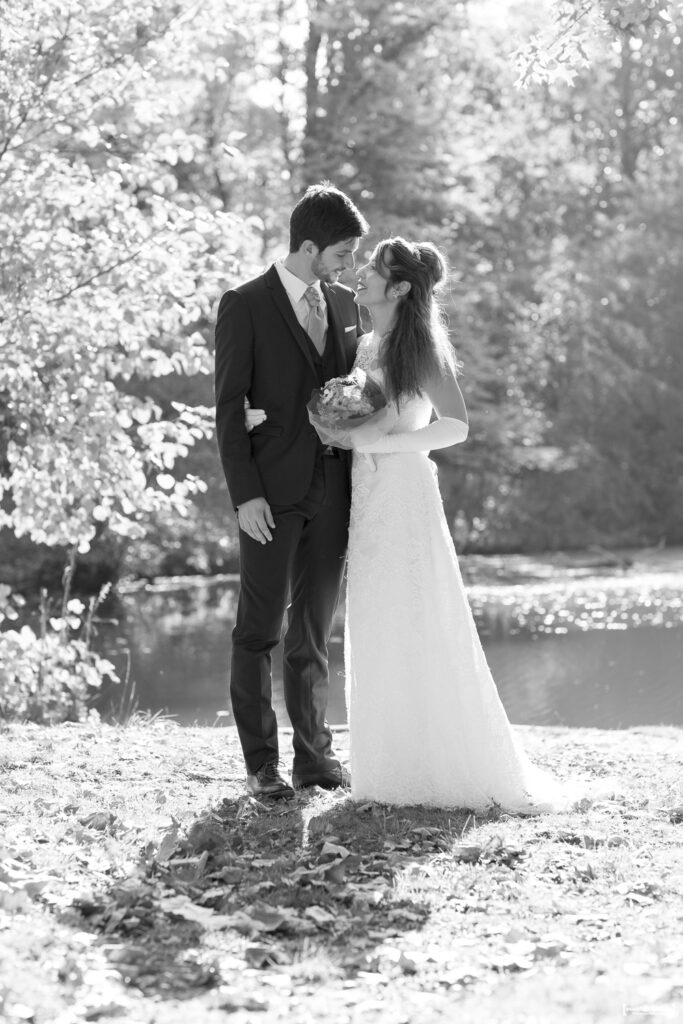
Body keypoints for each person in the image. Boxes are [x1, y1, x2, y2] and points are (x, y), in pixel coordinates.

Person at [341, 236, 600, 812]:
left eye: (374, 268)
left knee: (417, 614)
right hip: (367, 492)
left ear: (399, 287)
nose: (361, 273)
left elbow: (455, 425)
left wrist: (386, 442)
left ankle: (440, 768)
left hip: (403, 490)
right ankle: (385, 770)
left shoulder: (420, 348)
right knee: (376, 615)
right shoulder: (364, 344)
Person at [214, 183, 368, 799]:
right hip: (270, 496)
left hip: (333, 488)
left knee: (313, 632)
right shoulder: (245, 304)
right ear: (309, 247)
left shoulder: (347, 304)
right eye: (342, 253)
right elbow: (229, 408)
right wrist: (245, 494)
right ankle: (261, 767)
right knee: (259, 630)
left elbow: (356, 384)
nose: (350, 265)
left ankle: (315, 760)